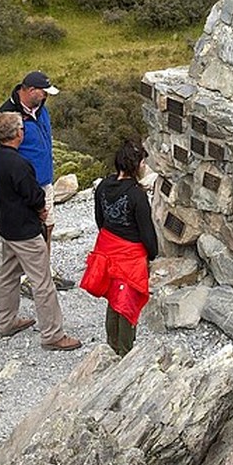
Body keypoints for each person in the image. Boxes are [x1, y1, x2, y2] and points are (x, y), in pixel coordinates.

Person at [0, 111, 81, 351]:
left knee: (8, 275)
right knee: (42, 282)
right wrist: (41, 209)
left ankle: (6, 321)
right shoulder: (19, 164)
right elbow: (34, 195)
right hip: (25, 231)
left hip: (7, 226)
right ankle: (52, 334)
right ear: (18, 133)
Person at [80, 139, 158, 357]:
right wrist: (152, 254)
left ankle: (111, 344)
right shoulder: (137, 195)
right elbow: (146, 231)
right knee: (126, 302)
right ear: (136, 165)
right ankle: (124, 352)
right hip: (129, 256)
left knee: (114, 297)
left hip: (107, 248)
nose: (144, 166)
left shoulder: (103, 186)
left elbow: (99, 218)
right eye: (142, 162)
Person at [0, 70, 73, 289]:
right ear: (30, 90)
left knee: (48, 225)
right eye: (43, 92)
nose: (46, 96)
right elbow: (3, 152)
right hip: (24, 183)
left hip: (44, 179)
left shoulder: (41, 109)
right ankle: (28, 279)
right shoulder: (8, 114)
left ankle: (43, 272)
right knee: (29, 231)